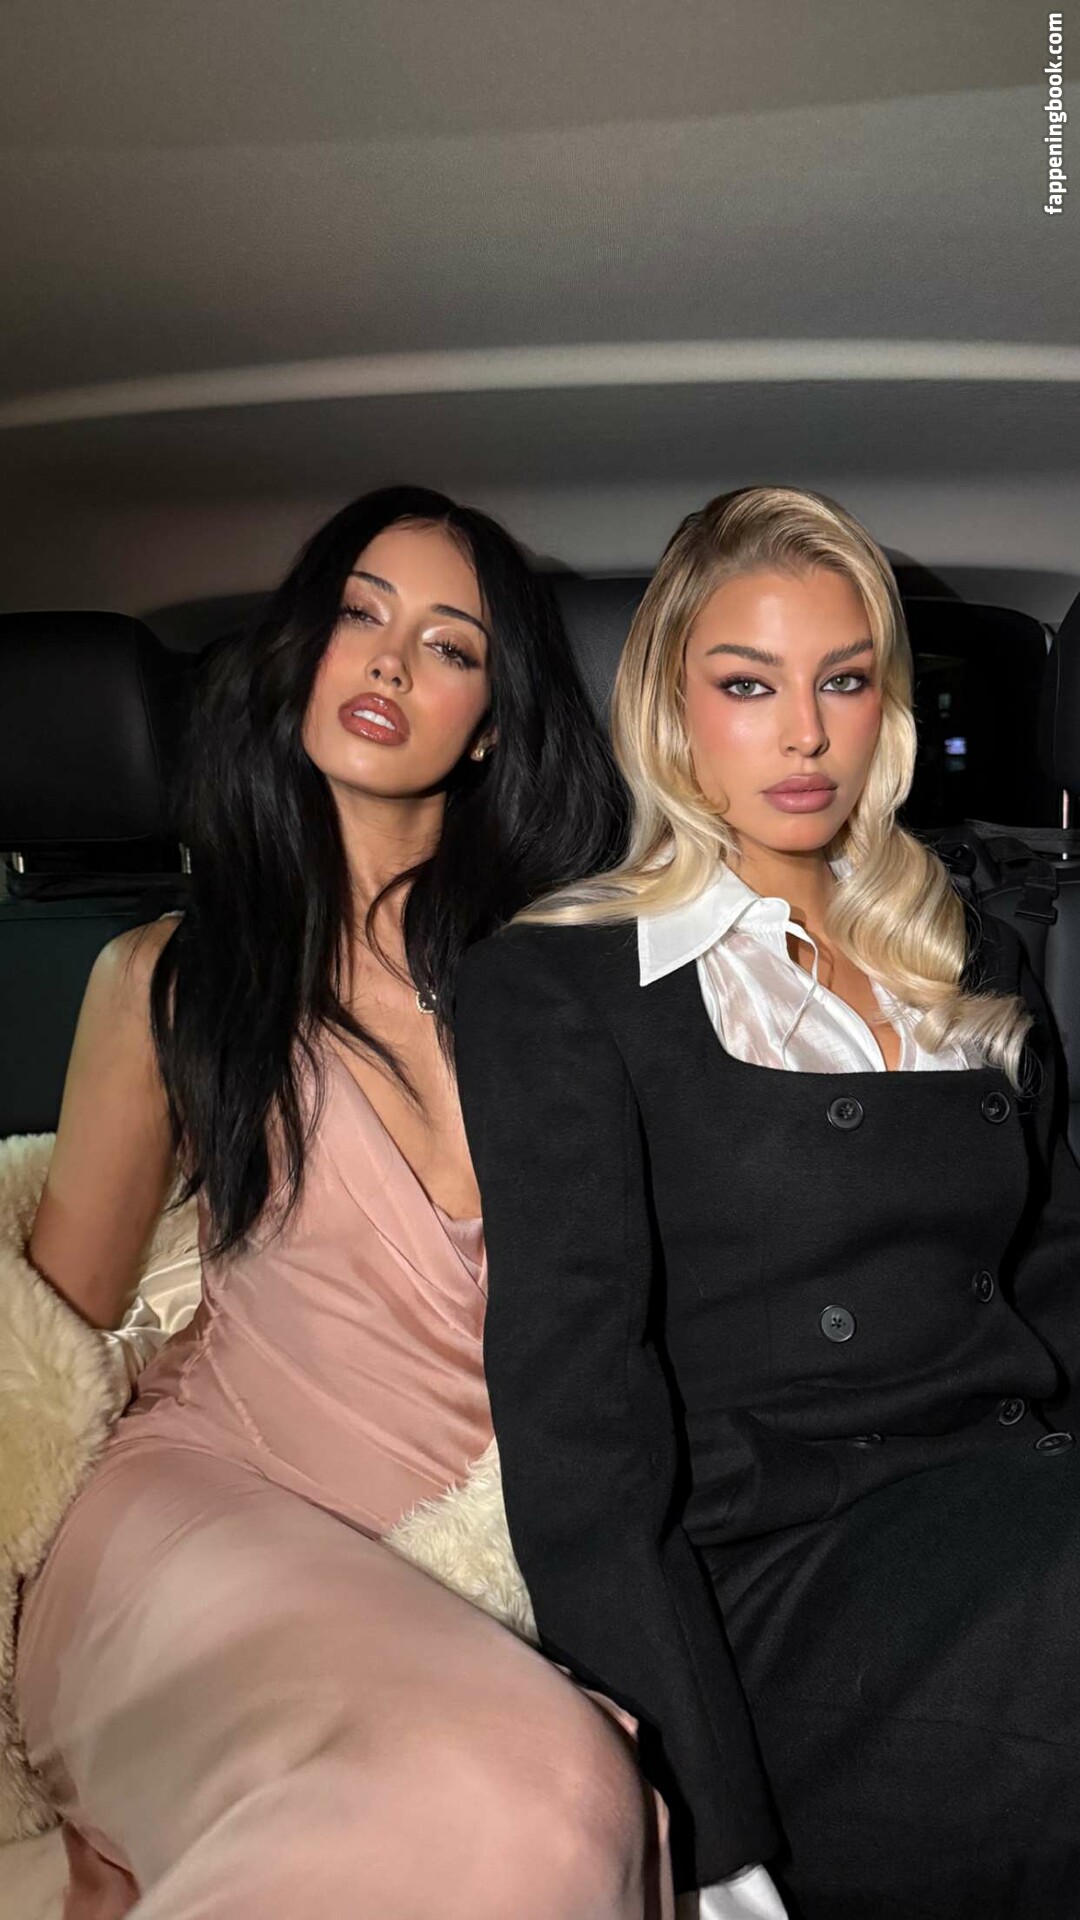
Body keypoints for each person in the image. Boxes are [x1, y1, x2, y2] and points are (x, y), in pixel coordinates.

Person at [15, 486, 668, 1920]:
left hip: (463, 1546)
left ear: (489, 727)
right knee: (541, 1791)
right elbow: (46, 1343)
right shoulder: (170, 980)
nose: (388, 660)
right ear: (305, 650)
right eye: (361, 614)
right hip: (202, 1514)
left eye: (449, 645)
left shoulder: (576, 982)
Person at [453, 484, 1080, 1920]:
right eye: (748, 685)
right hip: (800, 1591)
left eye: (841, 682)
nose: (804, 734)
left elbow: (1056, 1273)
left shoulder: (971, 956)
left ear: (885, 707)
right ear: (671, 712)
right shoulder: (560, 986)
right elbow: (579, 1427)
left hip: (1021, 1510)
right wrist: (707, 1833)